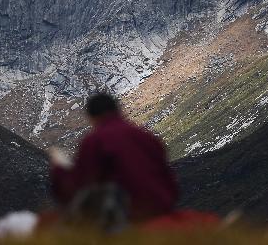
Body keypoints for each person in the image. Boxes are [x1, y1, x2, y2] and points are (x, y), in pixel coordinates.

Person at [49, 92, 179, 226]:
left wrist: (58, 169)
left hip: (130, 213)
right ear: (118, 110)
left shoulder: (95, 140)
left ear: (92, 117)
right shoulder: (147, 136)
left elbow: (78, 182)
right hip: (163, 205)